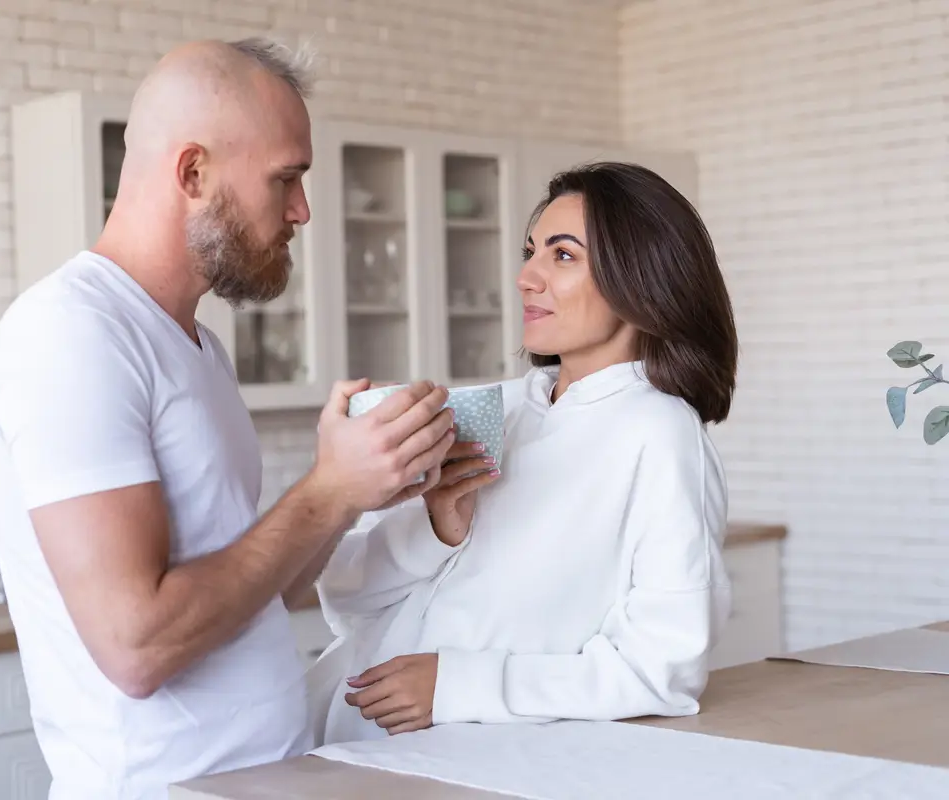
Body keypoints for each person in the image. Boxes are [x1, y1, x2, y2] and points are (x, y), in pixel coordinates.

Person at [0, 38, 456, 800]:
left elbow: (254, 592)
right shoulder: (72, 337)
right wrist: (325, 491)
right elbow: (138, 645)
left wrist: (352, 493)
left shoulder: (195, 346)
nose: (303, 210)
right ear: (193, 173)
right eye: (285, 179)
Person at [307, 161, 740, 745]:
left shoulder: (660, 435)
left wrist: (457, 685)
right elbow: (344, 598)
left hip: (464, 761)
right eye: (530, 251)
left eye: (562, 256)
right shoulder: (495, 409)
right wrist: (437, 531)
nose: (525, 277)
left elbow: (663, 670)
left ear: (639, 278)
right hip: (332, 738)